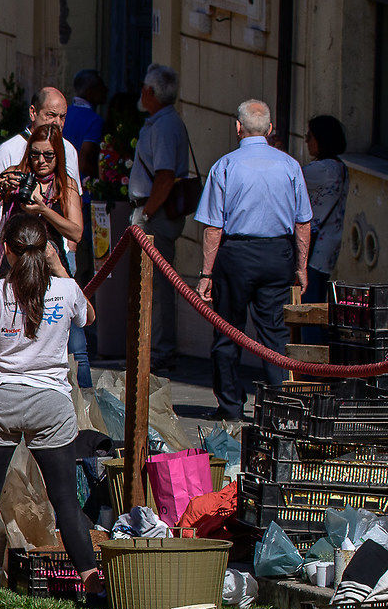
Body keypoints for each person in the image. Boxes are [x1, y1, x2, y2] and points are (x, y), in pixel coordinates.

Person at [0, 212, 101, 609]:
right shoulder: (67, 290)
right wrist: (56, 265)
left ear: (6, 251)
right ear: (46, 249)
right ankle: (92, 583)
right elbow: (88, 317)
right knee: (65, 502)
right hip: (50, 404)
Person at [196, 99, 313, 422]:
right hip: (278, 254)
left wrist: (206, 273)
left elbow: (213, 227)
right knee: (274, 333)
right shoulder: (290, 166)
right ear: (270, 129)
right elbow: (303, 223)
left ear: (238, 127)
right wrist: (301, 267)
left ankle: (231, 406)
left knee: (228, 330)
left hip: (236, 256)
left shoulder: (225, 166)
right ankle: (280, 409)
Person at [0, 122, 88, 382]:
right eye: (34, 154)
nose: (40, 161)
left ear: (59, 155)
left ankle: (83, 402)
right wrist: (0, 187)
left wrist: (43, 210)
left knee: (77, 343)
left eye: (48, 155)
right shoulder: (16, 174)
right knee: (11, 333)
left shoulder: (64, 185)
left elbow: (77, 232)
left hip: (51, 266)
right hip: (13, 266)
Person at [128, 64, 196, 374]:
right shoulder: (160, 123)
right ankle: (154, 346)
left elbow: (166, 176)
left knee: (159, 286)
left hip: (156, 214)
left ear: (151, 92)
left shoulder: (166, 126)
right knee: (152, 283)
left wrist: (146, 214)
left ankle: (162, 349)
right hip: (152, 211)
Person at [303, 114, 349, 310]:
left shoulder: (322, 169)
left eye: (310, 136)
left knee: (309, 307)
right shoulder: (339, 167)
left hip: (316, 249)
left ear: (321, 140)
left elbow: (288, 178)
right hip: (328, 247)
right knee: (317, 303)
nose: (306, 141)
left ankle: (311, 341)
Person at [65, 69, 109, 156]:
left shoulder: (64, 113)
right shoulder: (94, 121)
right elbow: (86, 159)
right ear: (90, 91)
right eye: (101, 87)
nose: (106, 90)